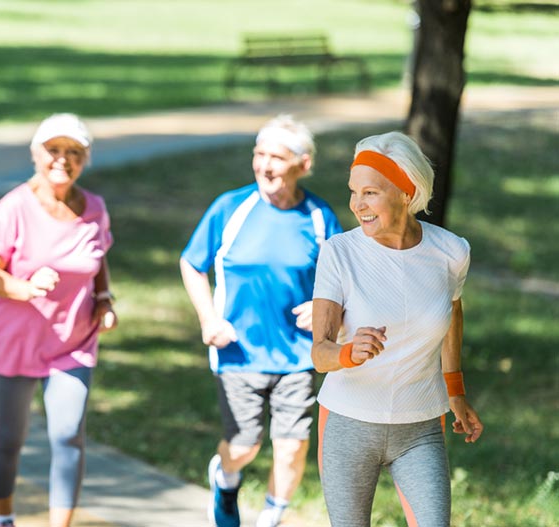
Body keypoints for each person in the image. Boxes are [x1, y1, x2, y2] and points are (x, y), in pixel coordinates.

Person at [311, 131, 484, 526]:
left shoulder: (451, 252)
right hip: (349, 423)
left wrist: (455, 390)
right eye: (354, 192)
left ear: (407, 192)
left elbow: (451, 314)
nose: (357, 205)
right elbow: (318, 352)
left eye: (370, 193)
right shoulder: (339, 253)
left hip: (420, 426)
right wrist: (347, 352)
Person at [180, 115, 342, 527]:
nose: (265, 166)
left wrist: (328, 309)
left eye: (277, 157)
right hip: (238, 352)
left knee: (291, 446)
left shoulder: (321, 217)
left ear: (303, 164)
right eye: (259, 154)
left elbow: (344, 279)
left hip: (299, 355)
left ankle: (271, 517)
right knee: (244, 444)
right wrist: (208, 318)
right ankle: (226, 477)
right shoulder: (231, 208)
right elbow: (192, 263)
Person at [0, 113, 117, 527]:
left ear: (85, 160)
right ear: (36, 154)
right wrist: (24, 286)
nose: (62, 160)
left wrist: (105, 300)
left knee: (68, 434)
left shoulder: (95, 209)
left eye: (74, 152)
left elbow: (98, 258)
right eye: (54, 150)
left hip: (74, 341)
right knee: (8, 439)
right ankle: (1, 517)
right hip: (15, 340)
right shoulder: (13, 208)